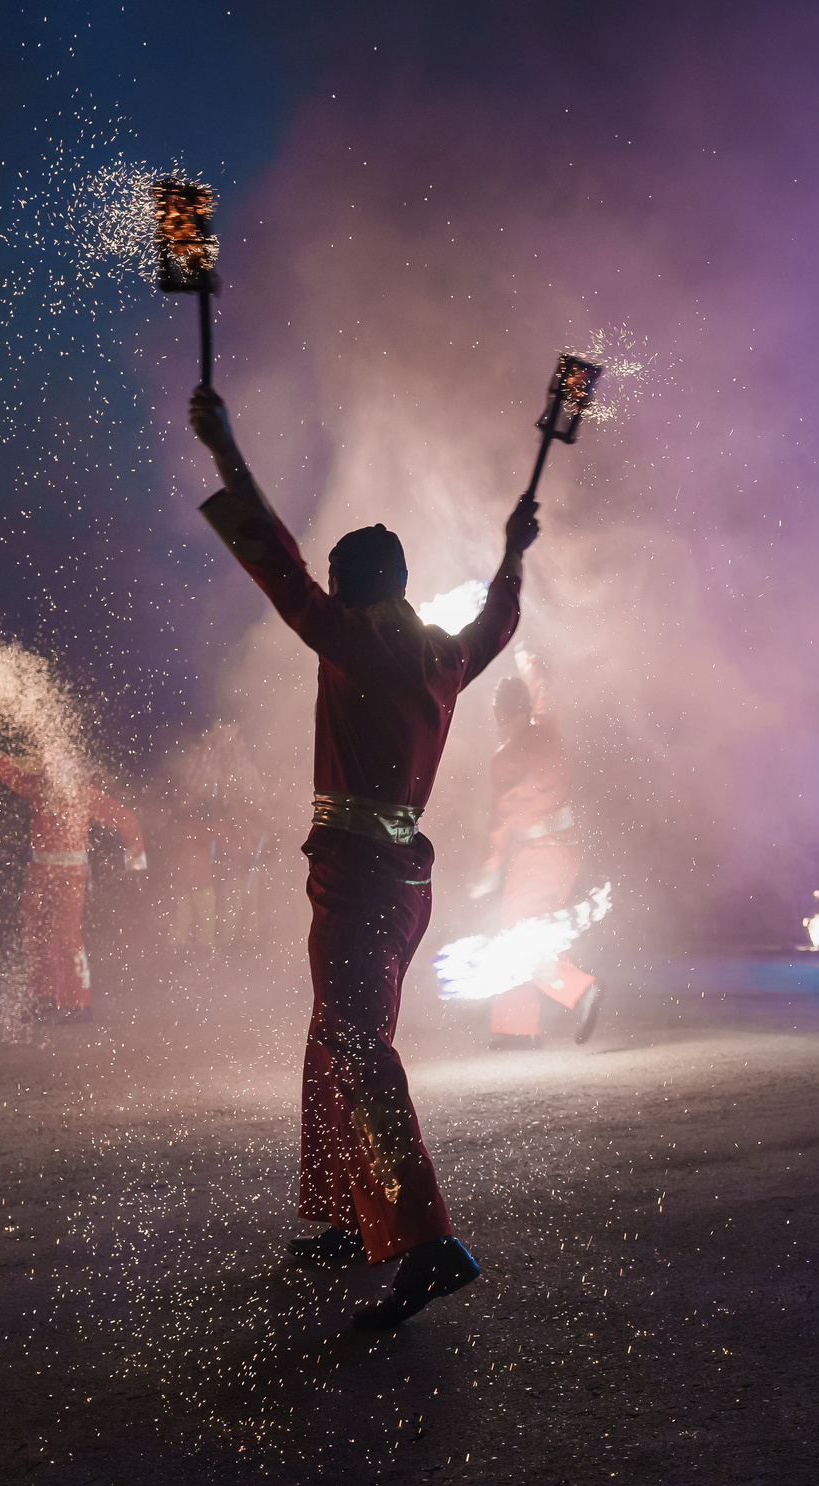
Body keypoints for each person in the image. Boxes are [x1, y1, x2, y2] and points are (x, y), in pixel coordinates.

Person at [187, 379, 536, 1330]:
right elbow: (499, 618)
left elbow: (277, 566)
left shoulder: (349, 641)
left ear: (350, 589)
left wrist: (225, 451)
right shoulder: (441, 657)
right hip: (396, 874)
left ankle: (425, 1239)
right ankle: (346, 1214)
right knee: (333, 1035)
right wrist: (512, 550)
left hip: (356, 876)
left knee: (353, 1043)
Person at [473, 650, 602, 1048]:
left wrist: (489, 871)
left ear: (502, 714)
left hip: (539, 855)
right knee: (515, 927)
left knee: (520, 934)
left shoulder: (504, 759)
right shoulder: (547, 726)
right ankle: (515, 1028)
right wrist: (529, 664)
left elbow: (499, 824)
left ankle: (579, 990)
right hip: (563, 848)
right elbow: (543, 692)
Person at [0, 738, 145, 1019]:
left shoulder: (85, 796)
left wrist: (136, 863)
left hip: (71, 877)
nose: (51, 771)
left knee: (67, 937)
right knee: (37, 937)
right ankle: (43, 999)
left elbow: (125, 819)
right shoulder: (37, 790)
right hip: (38, 875)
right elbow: (9, 773)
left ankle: (77, 1003)